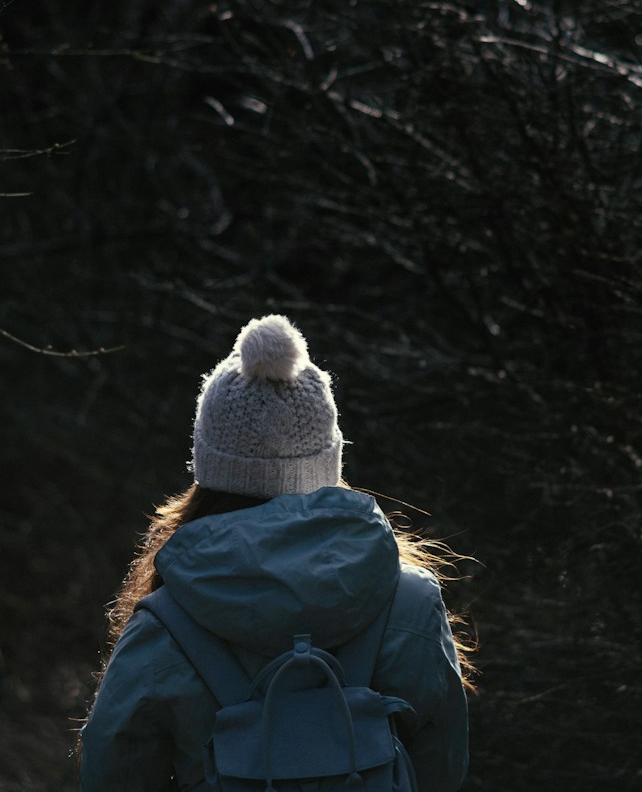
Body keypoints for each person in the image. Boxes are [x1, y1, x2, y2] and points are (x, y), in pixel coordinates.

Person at [80, 314, 472, 792]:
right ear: (328, 460)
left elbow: (112, 774)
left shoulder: (165, 623)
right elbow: (443, 766)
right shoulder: (410, 603)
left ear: (207, 468)